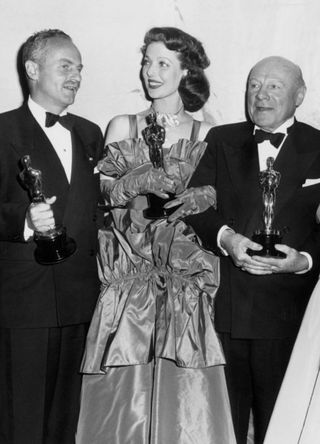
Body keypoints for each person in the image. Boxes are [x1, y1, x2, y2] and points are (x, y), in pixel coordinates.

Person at [76, 27, 236, 444]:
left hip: (183, 280)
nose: (150, 71)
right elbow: (103, 198)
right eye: (147, 60)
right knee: (124, 392)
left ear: (186, 72)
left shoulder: (207, 132)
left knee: (184, 393)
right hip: (129, 278)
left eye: (163, 63)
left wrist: (197, 195)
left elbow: (216, 201)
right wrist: (134, 182)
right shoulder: (122, 125)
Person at [187, 56, 320, 444]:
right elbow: (195, 207)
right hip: (225, 307)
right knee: (223, 424)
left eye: (274, 86)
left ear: (299, 95)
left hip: (291, 314)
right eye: (254, 85)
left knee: (281, 425)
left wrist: (304, 261)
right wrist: (227, 237)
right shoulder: (222, 138)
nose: (261, 94)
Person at [0, 29, 103, 443]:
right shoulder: (2, 130)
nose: (76, 75)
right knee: (20, 423)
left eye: (79, 68)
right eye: (66, 66)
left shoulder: (91, 132)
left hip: (80, 299)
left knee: (66, 421)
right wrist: (24, 219)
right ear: (32, 69)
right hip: (24, 303)